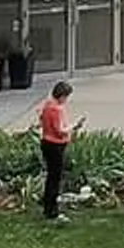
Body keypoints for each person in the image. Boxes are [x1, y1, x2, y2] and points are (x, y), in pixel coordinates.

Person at [36, 78, 77, 221]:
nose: (66, 100)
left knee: (50, 177)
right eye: (66, 96)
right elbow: (60, 130)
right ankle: (52, 210)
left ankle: (47, 204)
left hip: (46, 142)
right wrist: (73, 126)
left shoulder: (47, 105)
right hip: (56, 145)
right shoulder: (57, 109)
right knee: (55, 178)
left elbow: (41, 120)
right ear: (62, 95)